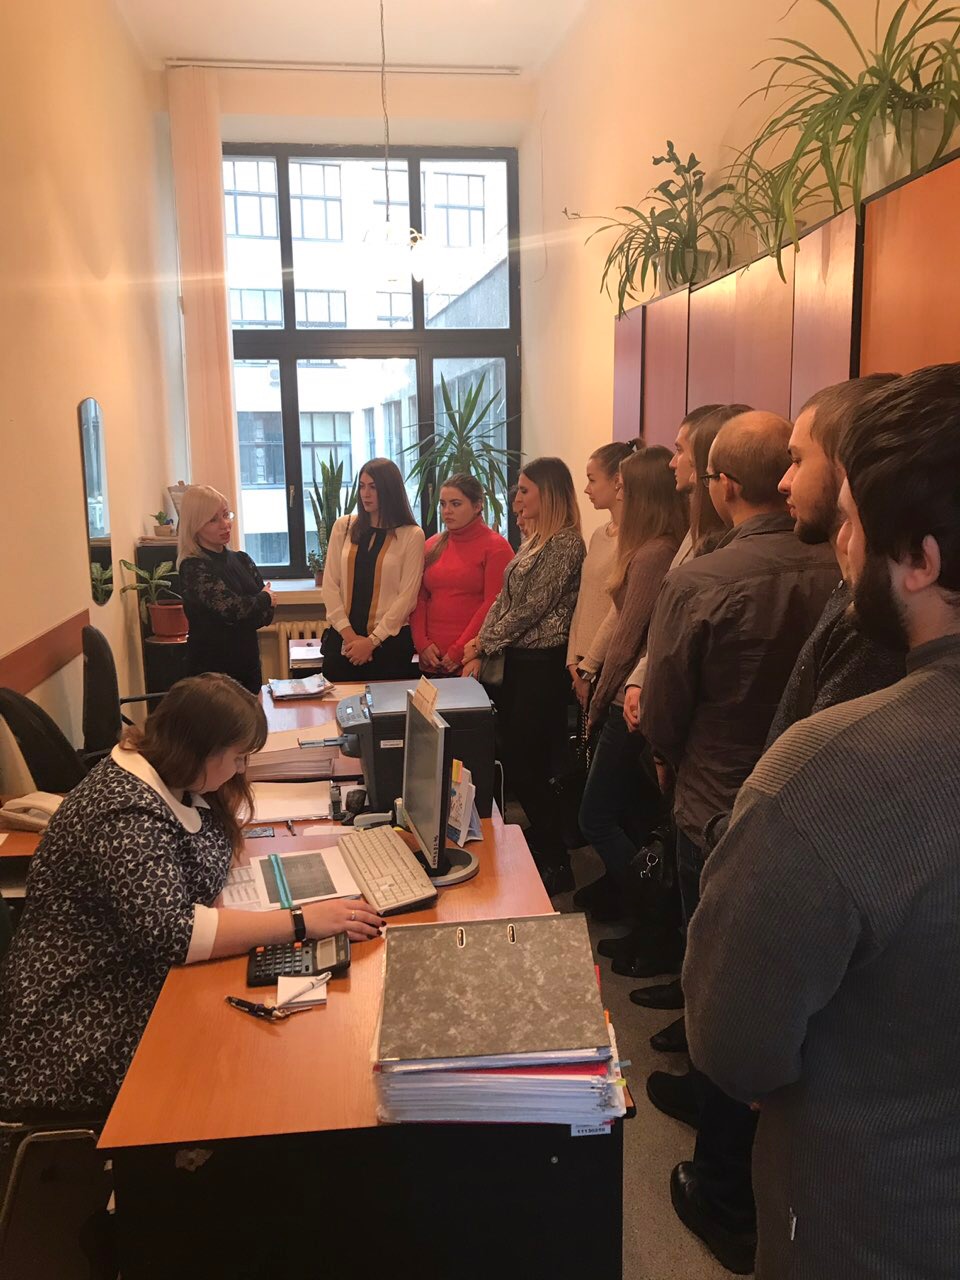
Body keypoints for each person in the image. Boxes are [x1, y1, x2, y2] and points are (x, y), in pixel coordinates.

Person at [685, 363, 960, 1280]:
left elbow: (735, 1045)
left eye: (851, 519)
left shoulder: (827, 775)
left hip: (871, 1226)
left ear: (919, 559)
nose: (839, 543)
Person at [0, 674, 383, 1118]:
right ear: (197, 749)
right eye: (237, 758)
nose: (240, 769)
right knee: (258, 1069)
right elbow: (174, 934)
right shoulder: (123, 812)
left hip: (137, 978)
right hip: (85, 1017)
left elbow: (204, 859)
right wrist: (302, 920)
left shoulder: (173, 780)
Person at [573, 446, 686, 929]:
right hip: (622, 696)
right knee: (626, 815)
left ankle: (651, 912)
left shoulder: (656, 552)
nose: (617, 494)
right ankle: (640, 910)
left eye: (623, 486)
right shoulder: (647, 547)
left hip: (627, 702)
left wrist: (597, 702)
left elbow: (628, 638)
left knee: (595, 817)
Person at [463, 458, 585, 893]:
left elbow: (531, 609)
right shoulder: (536, 540)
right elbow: (505, 599)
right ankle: (546, 842)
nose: (517, 498)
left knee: (528, 763)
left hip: (542, 665)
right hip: (520, 663)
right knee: (519, 760)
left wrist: (483, 644)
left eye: (525, 490)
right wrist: (480, 639)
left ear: (548, 494)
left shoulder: (567, 544)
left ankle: (557, 860)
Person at [620, 403, 751, 735]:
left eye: (680, 451)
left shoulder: (719, 550)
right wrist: (638, 680)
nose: (672, 462)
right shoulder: (693, 534)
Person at [320, 458, 425, 682]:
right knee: (337, 702)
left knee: (386, 703)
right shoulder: (344, 526)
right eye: (362, 486)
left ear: (389, 490)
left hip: (389, 644)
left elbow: (407, 598)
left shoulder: (411, 534)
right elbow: (329, 586)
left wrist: (371, 642)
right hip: (343, 641)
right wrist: (351, 638)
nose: (365, 494)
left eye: (373, 487)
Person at [410, 474, 513, 677]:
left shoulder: (496, 547)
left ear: (477, 506)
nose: (447, 511)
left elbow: (493, 604)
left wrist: (459, 651)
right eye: (443, 504)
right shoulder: (431, 545)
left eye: (455, 504)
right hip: (431, 658)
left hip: (470, 660)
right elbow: (419, 598)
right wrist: (421, 644)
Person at [177, 486, 276, 695]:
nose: (225, 524)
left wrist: (253, 607)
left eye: (225, 515)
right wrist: (264, 599)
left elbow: (265, 616)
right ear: (195, 526)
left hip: (248, 668)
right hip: (211, 676)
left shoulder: (242, 560)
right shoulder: (193, 568)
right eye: (213, 520)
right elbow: (233, 609)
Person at [566, 439, 640, 709]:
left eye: (592, 480)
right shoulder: (599, 534)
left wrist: (589, 666)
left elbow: (617, 610)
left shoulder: (634, 539)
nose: (587, 489)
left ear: (617, 481)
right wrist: (572, 660)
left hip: (605, 664)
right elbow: (584, 598)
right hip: (582, 663)